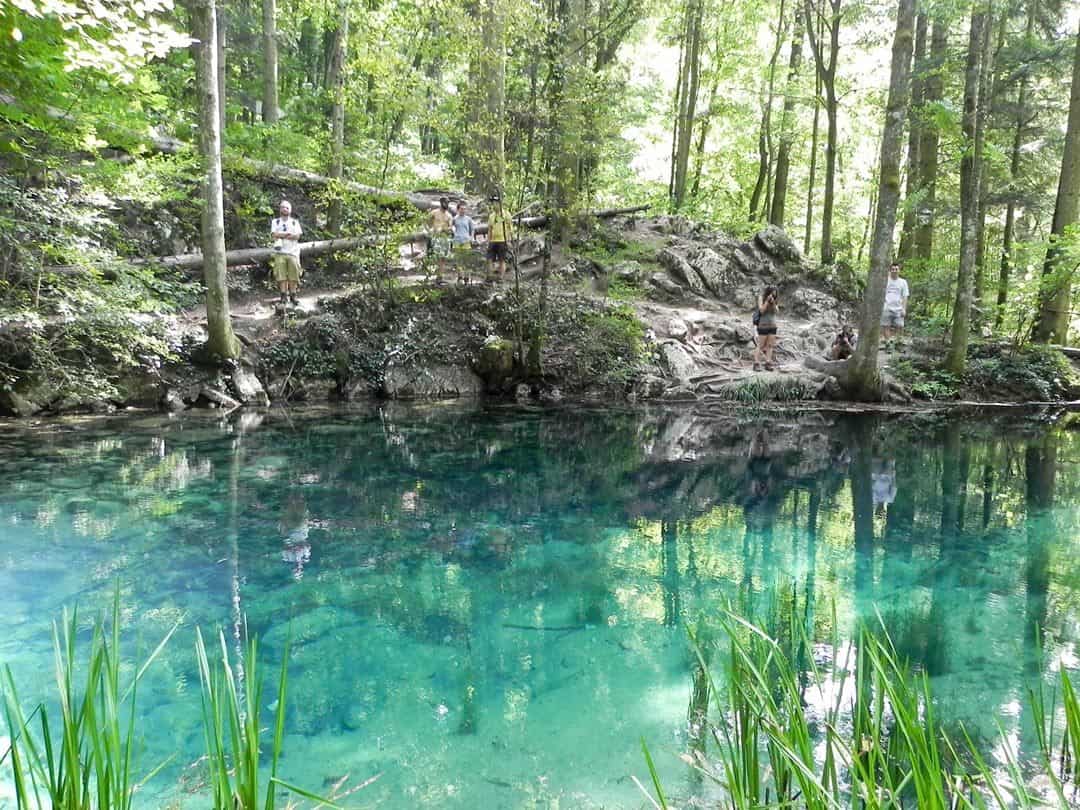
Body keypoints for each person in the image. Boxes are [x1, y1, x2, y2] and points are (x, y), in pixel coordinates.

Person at [270, 200, 303, 306]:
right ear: (280, 209)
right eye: (283, 207)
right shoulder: (275, 222)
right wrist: (287, 234)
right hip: (280, 252)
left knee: (294, 275)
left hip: (293, 252)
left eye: (287, 208)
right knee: (281, 275)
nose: (285, 209)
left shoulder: (294, 222)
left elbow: (297, 236)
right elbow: (274, 235)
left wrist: (281, 235)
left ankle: (293, 295)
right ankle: (283, 296)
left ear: (290, 210)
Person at [881, 262, 909, 350]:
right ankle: (888, 344)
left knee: (900, 326)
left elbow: (905, 296)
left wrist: (904, 309)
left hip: (898, 308)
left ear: (899, 270)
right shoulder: (885, 281)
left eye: (896, 269)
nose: (894, 271)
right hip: (887, 307)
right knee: (886, 326)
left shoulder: (903, 282)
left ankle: (898, 343)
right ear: (890, 270)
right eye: (893, 269)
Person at [752, 285, 780, 371]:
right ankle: (756, 363)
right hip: (763, 325)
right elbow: (761, 310)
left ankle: (768, 362)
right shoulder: (761, 298)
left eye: (775, 293)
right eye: (772, 293)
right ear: (768, 292)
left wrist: (773, 303)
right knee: (760, 345)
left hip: (773, 325)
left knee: (770, 346)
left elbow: (777, 311)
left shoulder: (775, 300)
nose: (773, 294)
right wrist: (767, 302)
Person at [486, 192, 511, 280]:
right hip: (493, 241)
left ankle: (500, 278)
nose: (493, 205)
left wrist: (508, 241)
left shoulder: (506, 214)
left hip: (502, 240)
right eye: (493, 203)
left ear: (499, 203)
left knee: (501, 260)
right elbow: (489, 229)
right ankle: (490, 276)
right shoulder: (491, 216)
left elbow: (510, 228)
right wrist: (488, 241)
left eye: (495, 203)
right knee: (489, 259)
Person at [428, 197, 454, 281]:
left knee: (443, 257)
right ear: (441, 203)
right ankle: (434, 273)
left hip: (445, 237)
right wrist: (430, 230)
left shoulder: (449, 215)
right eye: (445, 202)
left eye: (447, 203)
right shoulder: (434, 213)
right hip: (436, 237)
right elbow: (426, 221)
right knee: (436, 256)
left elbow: (450, 227)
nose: (446, 204)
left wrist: (445, 229)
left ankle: (440, 276)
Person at [452, 201, 477, 282]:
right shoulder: (455, 219)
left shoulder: (468, 219)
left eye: (464, 209)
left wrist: (471, 238)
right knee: (458, 260)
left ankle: (467, 276)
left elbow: (472, 229)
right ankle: (460, 276)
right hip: (457, 240)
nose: (463, 211)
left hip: (466, 240)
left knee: (466, 259)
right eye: (461, 209)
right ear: (458, 209)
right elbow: (451, 227)